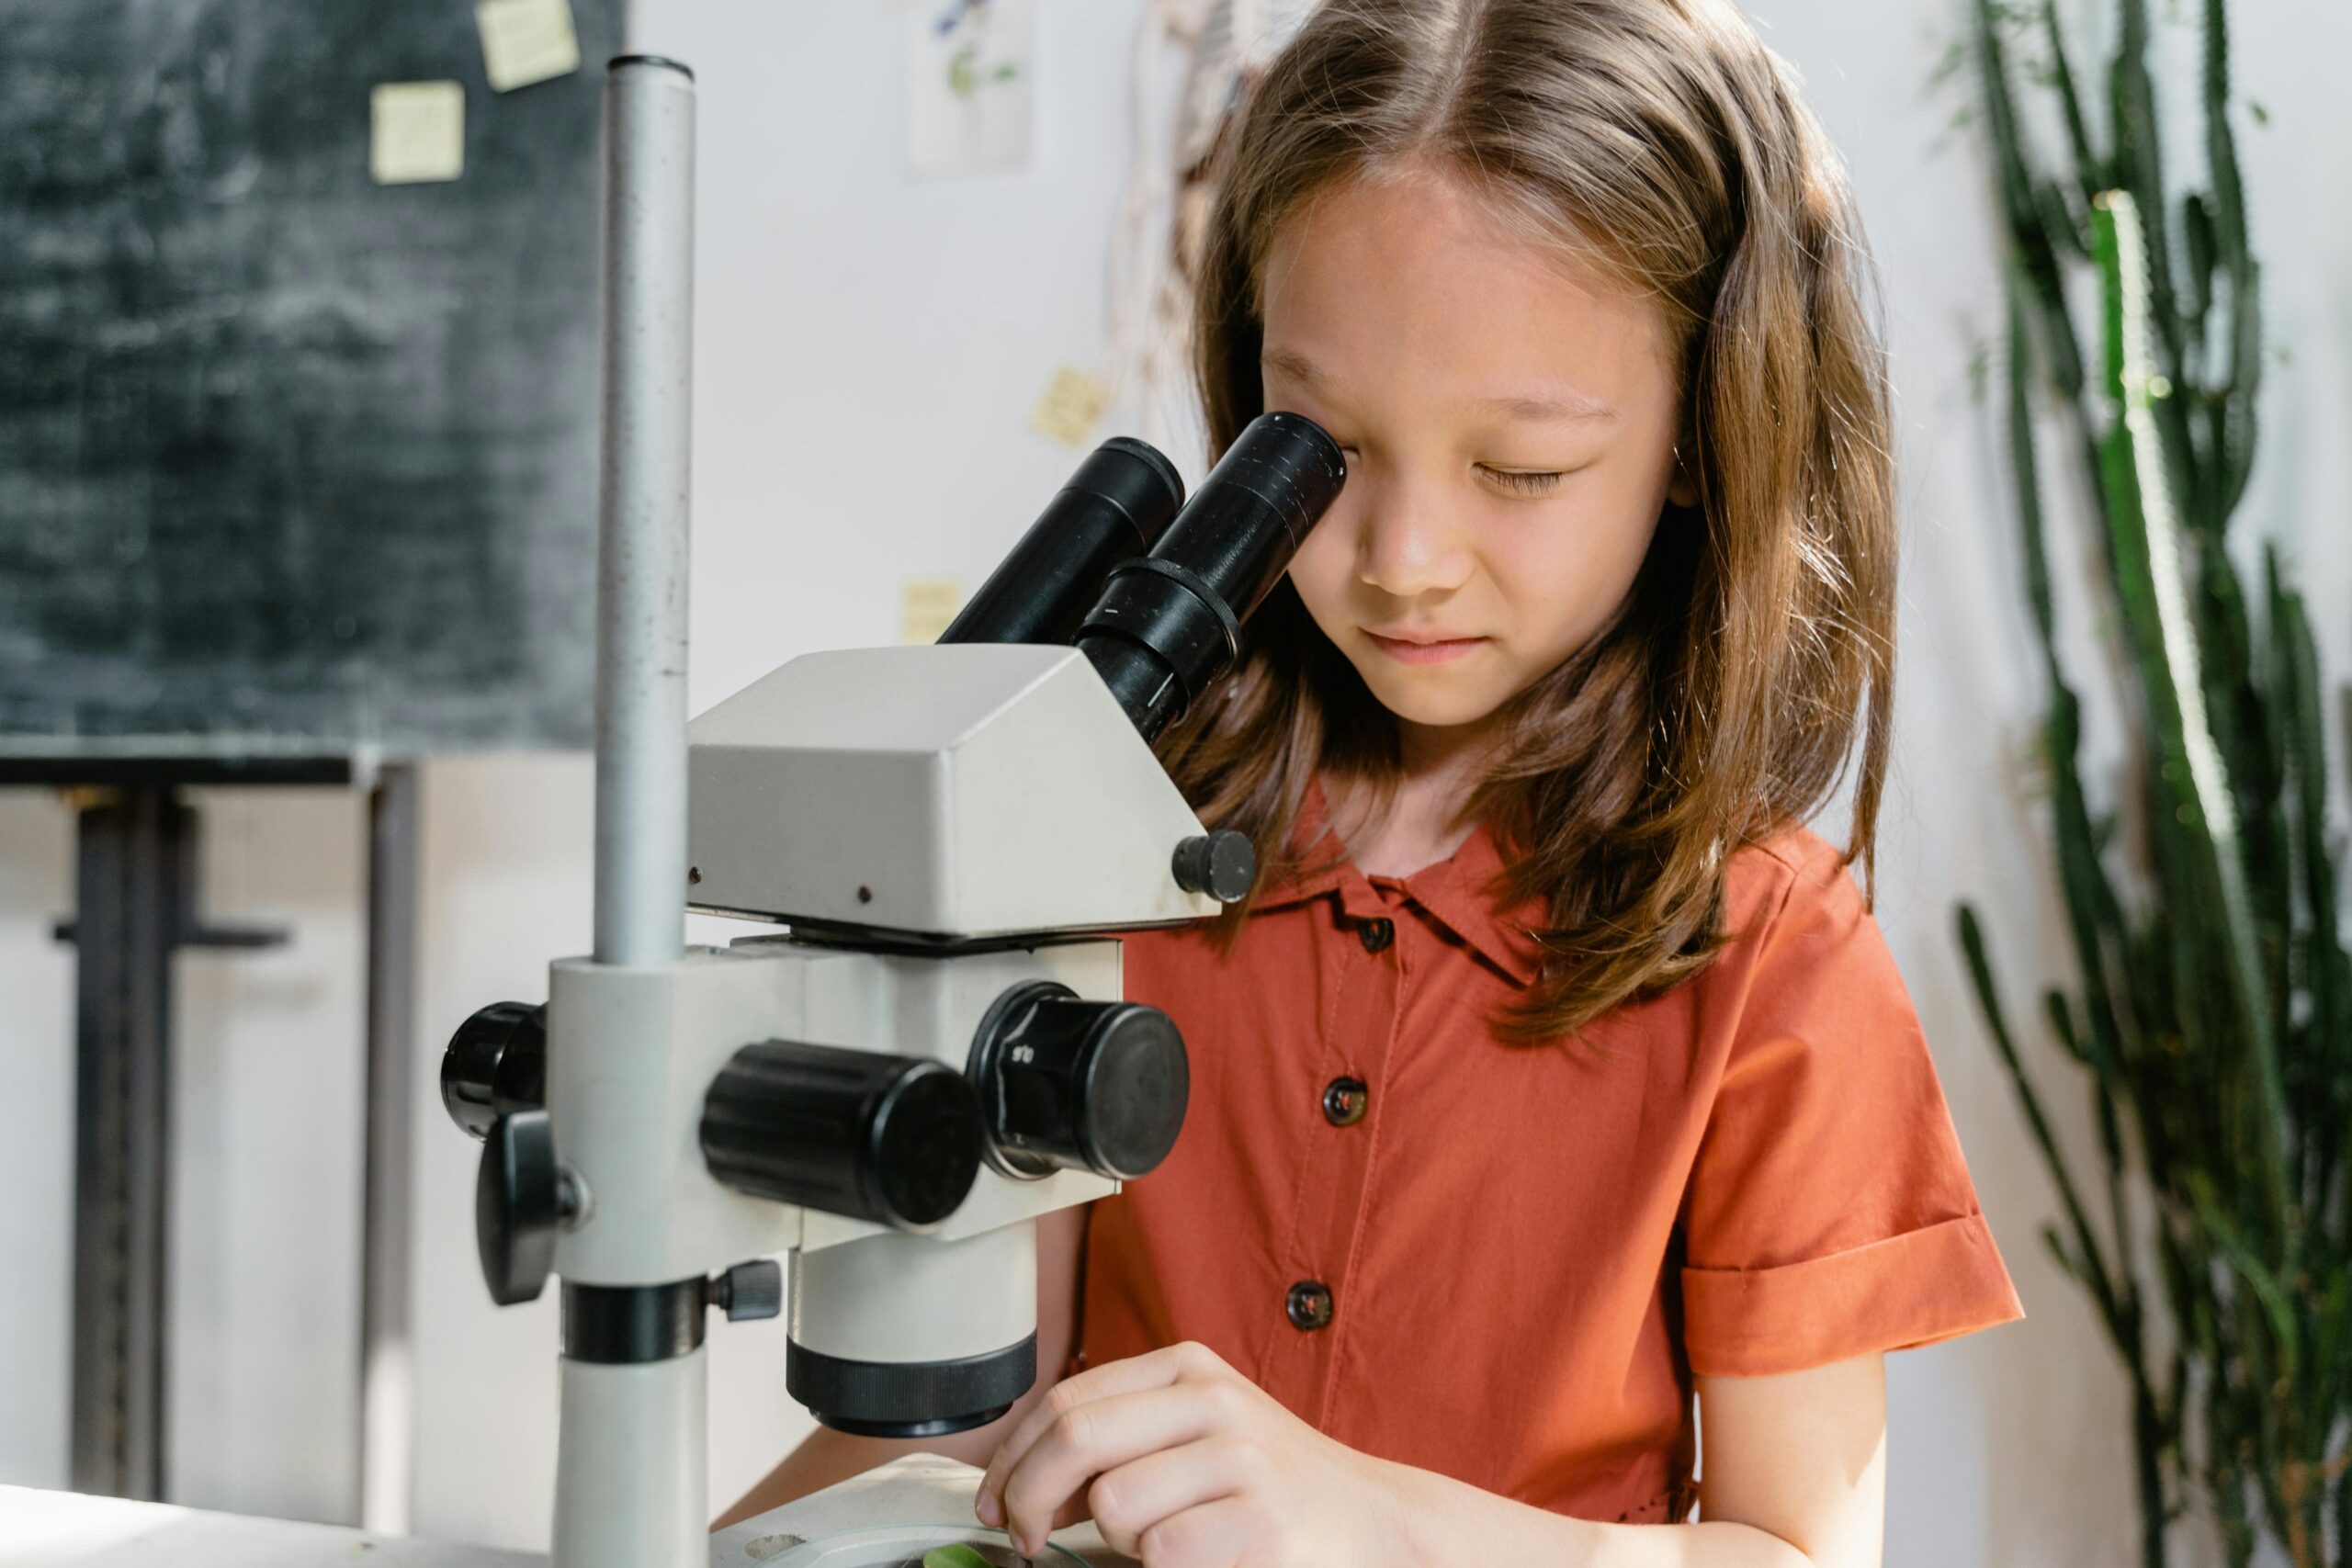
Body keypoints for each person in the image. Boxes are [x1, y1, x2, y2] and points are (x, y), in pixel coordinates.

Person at [720, 0, 2022, 1561]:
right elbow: (961, 1415)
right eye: (1323, 444)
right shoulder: (1102, 836)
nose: (1403, 565)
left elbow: (1797, 1551)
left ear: (1699, 432)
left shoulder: (1772, 957)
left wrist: (1367, 1520)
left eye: (1521, 469)